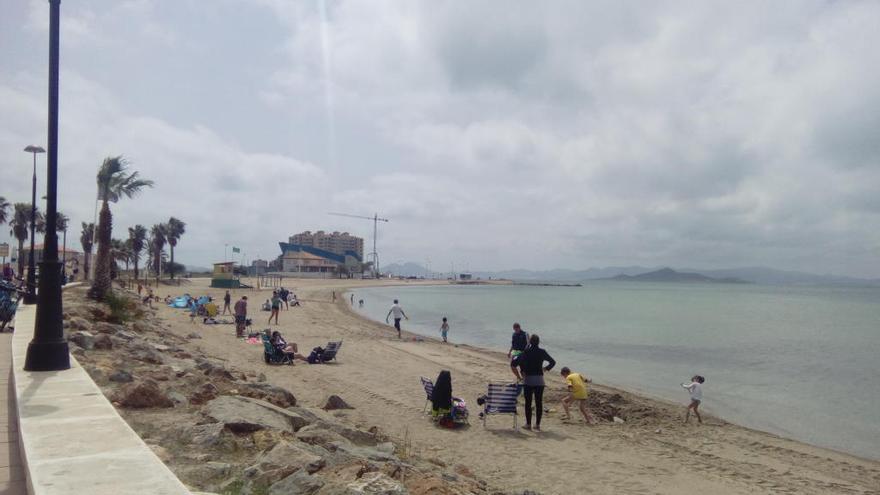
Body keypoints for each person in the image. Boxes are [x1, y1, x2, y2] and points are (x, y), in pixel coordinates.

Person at [511, 334, 555, 431]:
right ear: (539, 342)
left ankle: (528, 424)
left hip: (528, 380)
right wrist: (546, 368)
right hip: (540, 380)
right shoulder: (542, 352)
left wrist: (520, 375)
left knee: (528, 403)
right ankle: (537, 425)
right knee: (539, 403)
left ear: (530, 342)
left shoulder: (525, 352)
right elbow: (553, 362)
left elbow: (513, 364)